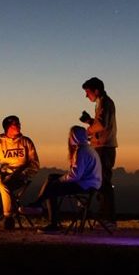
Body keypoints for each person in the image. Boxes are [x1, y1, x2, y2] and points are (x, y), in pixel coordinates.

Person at [19, 125, 102, 233]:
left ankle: (52, 223)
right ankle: (38, 204)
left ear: (74, 137)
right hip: (90, 182)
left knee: (53, 187)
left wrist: (61, 180)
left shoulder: (81, 151)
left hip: (85, 184)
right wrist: (60, 179)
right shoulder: (89, 149)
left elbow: (75, 175)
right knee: (51, 177)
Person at [0, 115, 40, 229]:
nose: (19, 125)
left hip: (19, 178)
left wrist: (23, 173)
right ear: (8, 127)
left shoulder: (26, 142)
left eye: (19, 123)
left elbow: (34, 164)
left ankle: (8, 218)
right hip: (3, 176)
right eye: (16, 124)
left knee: (4, 185)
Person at [80, 76, 118, 228]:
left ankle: (109, 218)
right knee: (101, 181)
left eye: (88, 92)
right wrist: (90, 120)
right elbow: (102, 123)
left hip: (104, 148)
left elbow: (102, 124)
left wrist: (88, 131)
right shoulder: (101, 103)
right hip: (101, 146)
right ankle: (105, 216)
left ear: (96, 90)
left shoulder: (105, 103)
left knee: (104, 182)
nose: (86, 95)